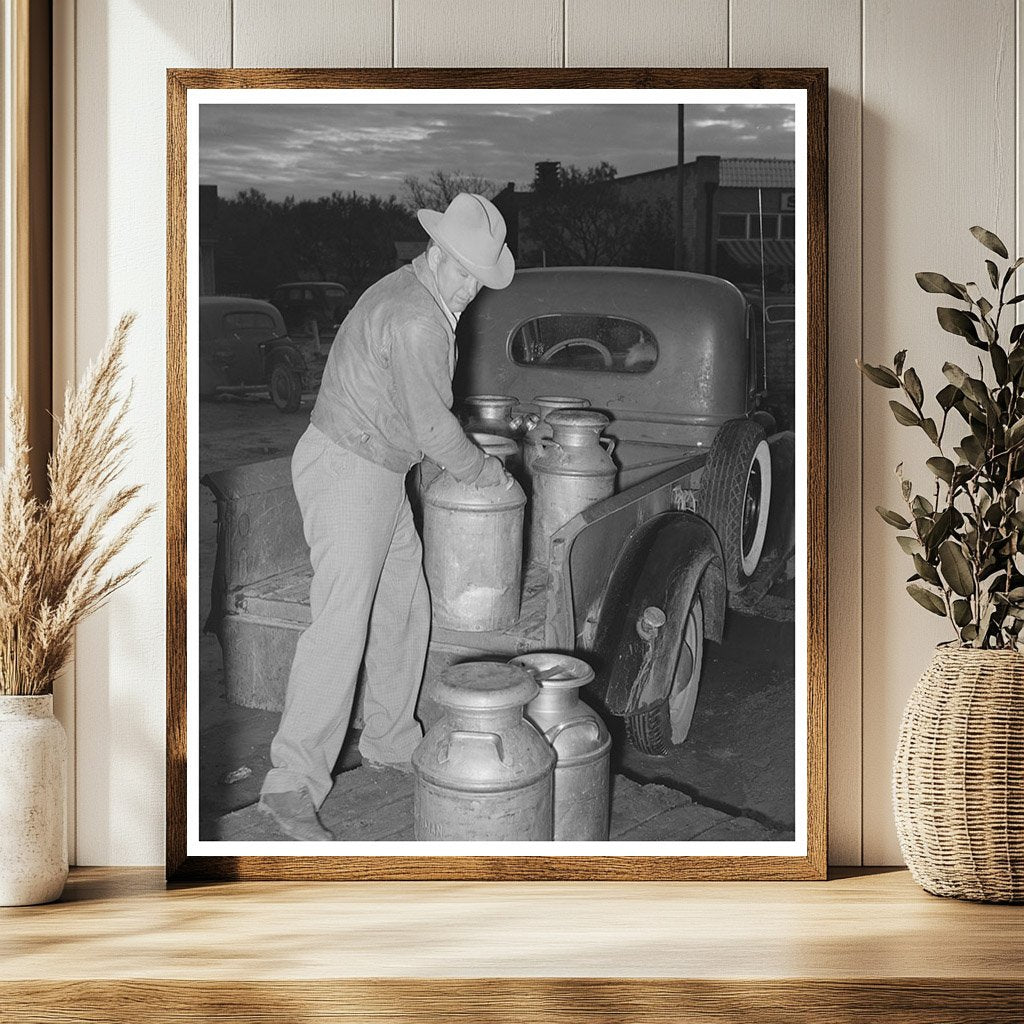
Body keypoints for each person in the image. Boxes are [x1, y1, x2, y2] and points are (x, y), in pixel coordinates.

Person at [258, 193, 515, 841]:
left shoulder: (415, 289)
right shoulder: (418, 318)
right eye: (460, 272)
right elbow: (432, 426)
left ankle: (393, 740)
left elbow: (411, 417)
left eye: (476, 279)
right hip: (350, 469)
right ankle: (290, 782)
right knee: (341, 624)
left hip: (374, 467)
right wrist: (487, 473)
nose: (466, 289)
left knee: (403, 603)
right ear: (437, 252)